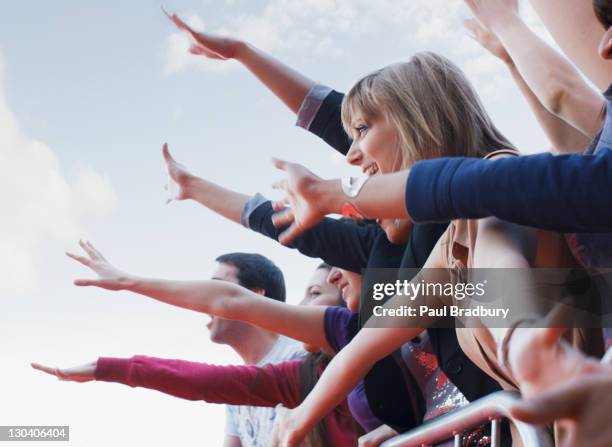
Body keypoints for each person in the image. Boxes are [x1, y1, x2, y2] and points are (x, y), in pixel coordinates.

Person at [268, 53, 604, 446]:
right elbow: (369, 341)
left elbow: (500, 246)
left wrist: (522, 339)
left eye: (362, 129)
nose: (352, 154)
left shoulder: (499, 185)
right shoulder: (449, 247)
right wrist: (297, 418)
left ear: (419, 119)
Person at [32, 264, 359, 447]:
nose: (299, 306)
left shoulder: (381, 335)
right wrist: (105, 368)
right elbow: (200, 380)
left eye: (314, 294)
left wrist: (129, 281)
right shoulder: (297, 376)